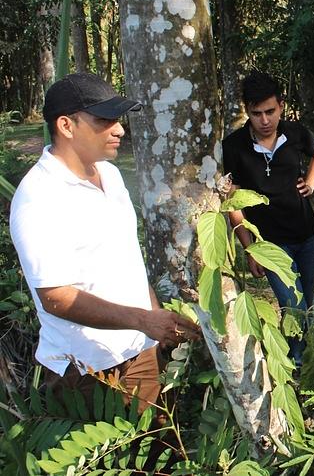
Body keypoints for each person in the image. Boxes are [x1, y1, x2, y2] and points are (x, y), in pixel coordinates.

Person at [10, 73, 201, 410]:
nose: (119, 129)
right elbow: (55, 297)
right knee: (108, 459)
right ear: (67, 126)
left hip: (140, 351)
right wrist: (143, 320)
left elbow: (126, 257)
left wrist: (154, 318)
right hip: (87, 369)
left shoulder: (109, 175)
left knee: (153, 454)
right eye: (104, 120)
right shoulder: (38, 197)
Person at [222, 71, 314, 365]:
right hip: (269, 243)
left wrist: (311, 181)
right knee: (292, 305)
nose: (265, 120)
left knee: (307, 302)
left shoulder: (295, 133)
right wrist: (250, 248)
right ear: (247, 112)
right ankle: (293, 363)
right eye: (256, 113)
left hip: (306, 235)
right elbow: (234, 202)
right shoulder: (233, 147)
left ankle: (305, 359)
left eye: (270, 111)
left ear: (281, 105)